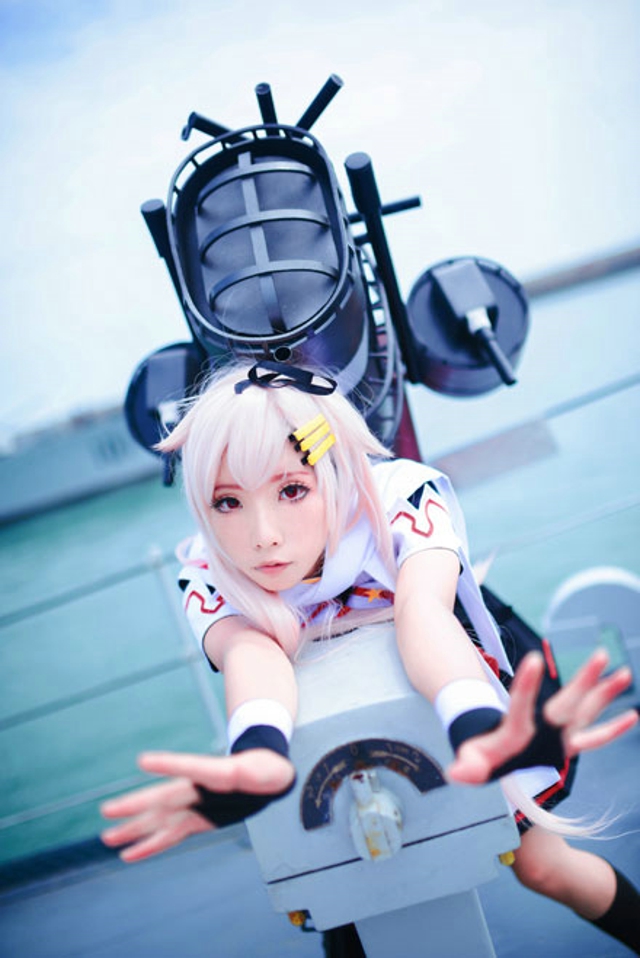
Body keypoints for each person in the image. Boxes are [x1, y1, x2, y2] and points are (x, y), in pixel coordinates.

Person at [101, 361, 640, 954]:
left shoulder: (400, 501)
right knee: (347, 893)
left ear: (331, 471)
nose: (263, 535)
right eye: (227, 502)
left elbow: (423, 614)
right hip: (328, 721)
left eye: (291, 490)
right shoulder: (209, 571)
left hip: (467, 671)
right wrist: (257, 753)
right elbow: (250, 654)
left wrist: (477, 723)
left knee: (543, 867)